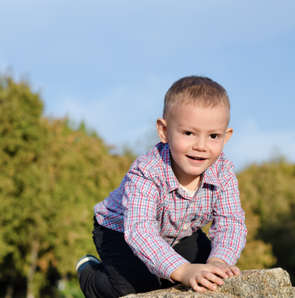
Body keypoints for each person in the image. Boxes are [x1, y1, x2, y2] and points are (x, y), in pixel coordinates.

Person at [76, 76, 247, 298]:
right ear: (164, 131)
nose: (201, 146)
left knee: (209, 273)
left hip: (178, 234)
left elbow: (231, 222)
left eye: (213, 136)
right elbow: (140, 231)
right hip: (119, 230)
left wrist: (219, 260)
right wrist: (182, 270)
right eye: (188, 133)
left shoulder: (223, 173)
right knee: (140, 288)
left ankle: (178, 268)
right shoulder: (147, 172)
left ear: (226, 137)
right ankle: (90, 275)